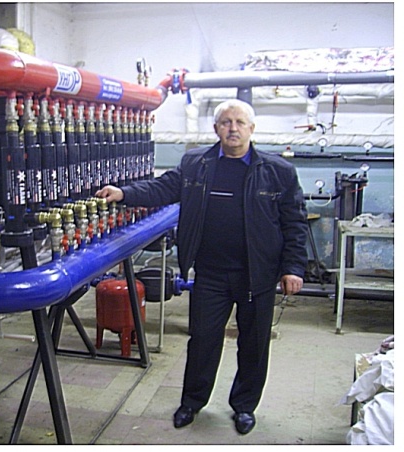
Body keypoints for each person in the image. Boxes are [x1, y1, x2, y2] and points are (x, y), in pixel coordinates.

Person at [96, 99, 308, 435]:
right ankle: (192, 403)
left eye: (240, 122)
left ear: (252, 129)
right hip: (211, 272)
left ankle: (244, 407)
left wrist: (293, 267)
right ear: (216, 128)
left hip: (258, 274)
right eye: (226, 122)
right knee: (202, 340)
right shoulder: (196, 164)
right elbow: (162, 188)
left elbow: (294, 223)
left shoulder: (278, 171)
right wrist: (124, 193)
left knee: (254, 344)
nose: (233, 128)